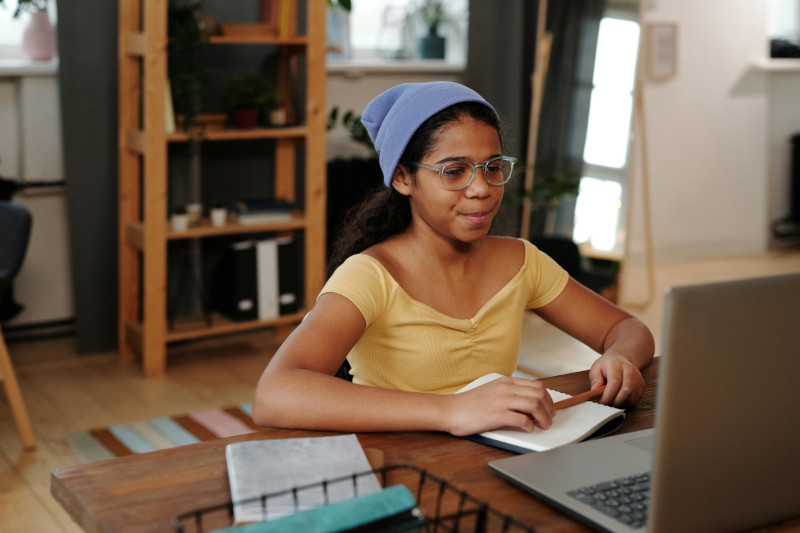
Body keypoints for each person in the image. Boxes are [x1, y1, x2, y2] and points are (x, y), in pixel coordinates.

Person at [253, 82, 654, 437]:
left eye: (492, 167)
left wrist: (620, 356)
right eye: (454, 171)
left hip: (498, 452)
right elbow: (274, 394)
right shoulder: (370, 275)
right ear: (402, 178)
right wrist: (452, 410)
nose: (480, 189)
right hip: (401, 462)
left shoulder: (522, 261)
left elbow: (626, 327)